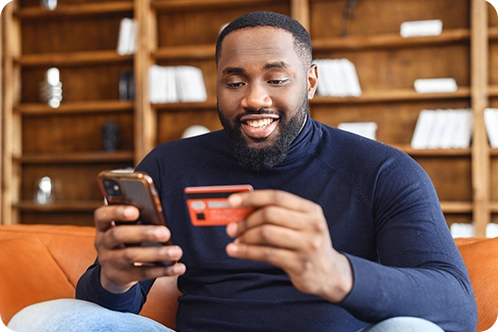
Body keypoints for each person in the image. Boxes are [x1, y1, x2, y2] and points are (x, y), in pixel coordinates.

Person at [7, 11, 477, 332]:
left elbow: (456, 305)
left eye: (276, 79)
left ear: (310, 80)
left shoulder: (385, 171)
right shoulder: (169, 167)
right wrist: (113, 279)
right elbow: (116, 307)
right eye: (235, 81)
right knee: (41, 320)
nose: (254, 98)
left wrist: (339, 274)